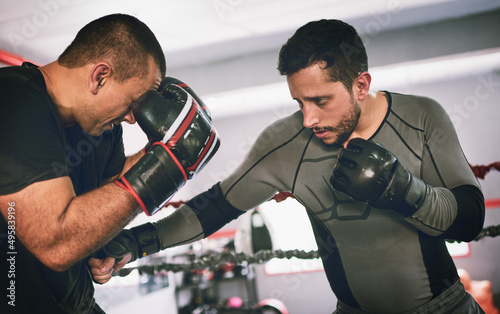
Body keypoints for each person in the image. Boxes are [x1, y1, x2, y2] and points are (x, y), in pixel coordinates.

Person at [90, 19, 486, 313]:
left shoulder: (420, 117)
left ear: (361, 85)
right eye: (299, 102)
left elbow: (468, 219)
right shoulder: (284, 142)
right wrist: (136, 243)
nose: (309, 119)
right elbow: (213, 208)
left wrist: (404, 190)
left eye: (321, 100)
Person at [0, 13, 220, 313]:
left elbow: (105, 201)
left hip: (76, 305)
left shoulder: (104, 131)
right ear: (99, 76)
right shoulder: (15, 102)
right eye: (132, 104)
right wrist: (167, 165)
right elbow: (55, 243)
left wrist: (162, 150)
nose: (132, 118)